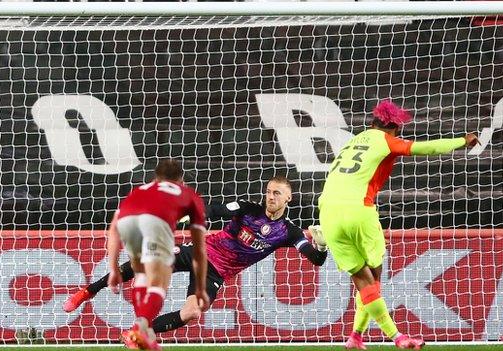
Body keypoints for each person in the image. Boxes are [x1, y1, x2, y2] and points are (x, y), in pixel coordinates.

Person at [64, 176, 328, 334]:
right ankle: (88, 291)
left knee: (192, 312)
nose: (270, 196)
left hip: (216, 273)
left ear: (288, 198)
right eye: (269, 191)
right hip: (201, 252)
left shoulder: (288, 233)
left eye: (276, 193)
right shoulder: (247, 209)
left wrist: (323, 246)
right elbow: (215, 210)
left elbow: (315, 260)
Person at [318, 100, 480, 350]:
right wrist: (462, 140)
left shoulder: (353, 141)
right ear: (396, 128)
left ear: (372, 123)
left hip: (327, 211)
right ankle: (398, 338)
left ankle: (356, 337)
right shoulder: (387, 140)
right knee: (374, 278)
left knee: (361, 279)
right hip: (358, 209)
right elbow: (428, 148)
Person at [104, 159, 209, 351]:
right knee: (159, 283)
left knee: (143, 278)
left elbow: (114, 230)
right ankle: (140, 331)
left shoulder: (139, 190)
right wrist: (200, 287)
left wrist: (113, 268)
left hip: (129, 225)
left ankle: (143, 335)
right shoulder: (189, 195)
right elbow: (200, 249)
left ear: (157, 178)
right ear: (181, 180)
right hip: (155, 225)